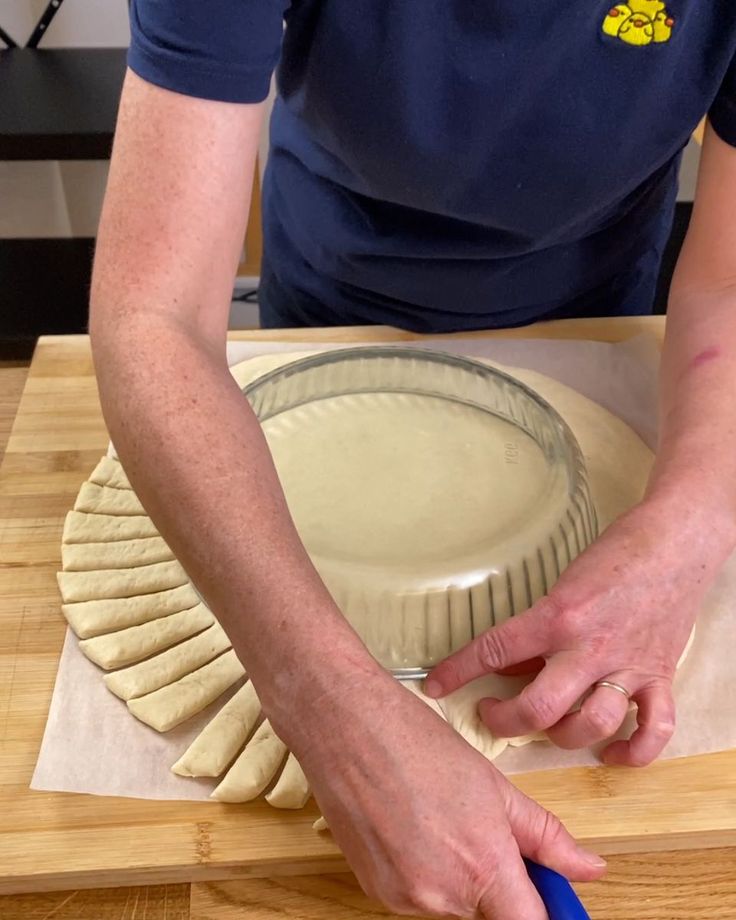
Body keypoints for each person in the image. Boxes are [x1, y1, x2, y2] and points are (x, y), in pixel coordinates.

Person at [90, 3, 736, 917]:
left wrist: (692, 523)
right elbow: (153, 316)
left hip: (602, 321)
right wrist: (328, 705)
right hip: (331, 309)